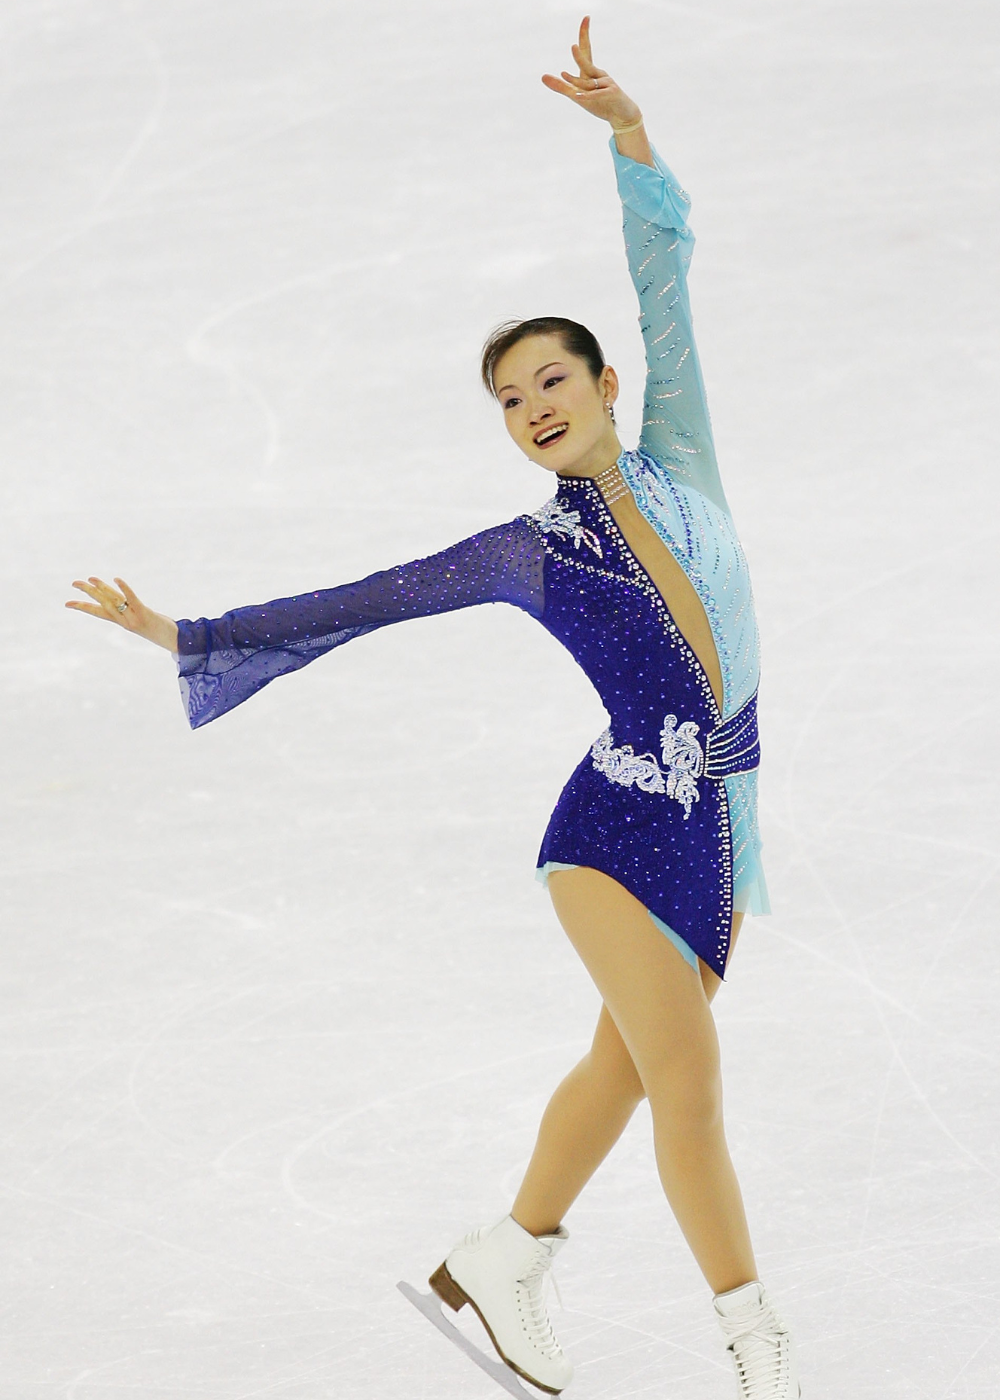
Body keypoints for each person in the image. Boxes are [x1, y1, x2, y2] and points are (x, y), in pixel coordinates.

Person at [66, 16, 800, 1400]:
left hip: (720, 831)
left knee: (630, 1069)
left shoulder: (682, 460)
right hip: (608, 832)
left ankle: (510, 1250)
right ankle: (756, 1339)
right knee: (690, 1088)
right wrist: (190, 633)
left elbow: (667, 289)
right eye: (509, 397)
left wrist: (627, 132)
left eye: (551, 379)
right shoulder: (527, 552)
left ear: (603, 388)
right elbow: (363, 597)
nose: (532, 405)